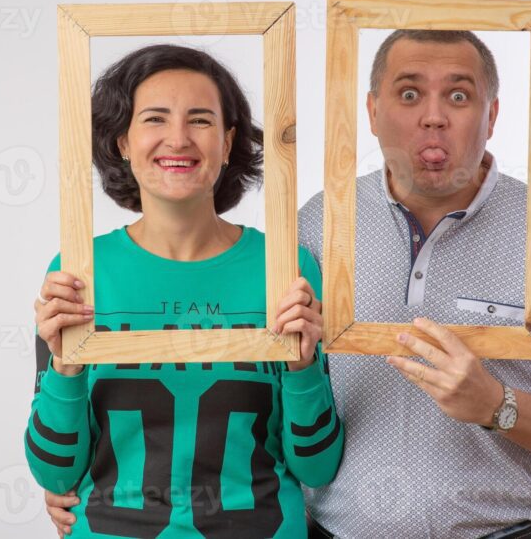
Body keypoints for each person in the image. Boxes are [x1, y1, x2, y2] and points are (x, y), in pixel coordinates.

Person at [44, 30, 531, 539]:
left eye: (459, 94)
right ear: (372, 111)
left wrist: (496, 406)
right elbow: (268, 419)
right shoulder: (312, 232)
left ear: (493, 113)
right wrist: (92, 477)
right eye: (408, 93)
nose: (433, 114)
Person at [25, 44, 343, 539]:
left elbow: (317, 468)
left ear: (227, 139)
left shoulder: (286, 267)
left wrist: (303, 371)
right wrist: (63, 370)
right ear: (122, 142)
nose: (178, 139)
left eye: (200, 120)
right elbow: (56, 474)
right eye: (154, 118)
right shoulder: (79, 271)